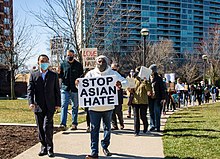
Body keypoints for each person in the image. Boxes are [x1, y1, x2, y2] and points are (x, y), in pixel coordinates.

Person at [77, 55, 128, 159]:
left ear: (107, 62)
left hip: (108, 108)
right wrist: (77, 83)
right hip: (94, 109)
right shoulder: (90, 74)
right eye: (99, 61)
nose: (100, 63)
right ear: (96, 62)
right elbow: (82, 86)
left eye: (103, 61)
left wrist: (120, 84)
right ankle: (94, 152)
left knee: (107, 129)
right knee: (94, 130)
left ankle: (105, 146)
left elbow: (126, 82)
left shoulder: (113, 73)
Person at [27, 54, 61, 157]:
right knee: (40, 128)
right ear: (38, 62)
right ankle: (43, 147)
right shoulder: (33, 74)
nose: (44, 62)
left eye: (46, 60)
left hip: (50, 105)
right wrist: (31, 102)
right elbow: (30, 90)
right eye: (42, 61)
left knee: (47, 126)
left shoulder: (53, 75)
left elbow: (56, 90)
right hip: (38, 106)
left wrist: (58, 104)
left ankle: (50, 148)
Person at [58, 50, 84, 130]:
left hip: (74, 89)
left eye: (71, 55)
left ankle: (74, 123)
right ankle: (63, 124)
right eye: (68, 55)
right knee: (64, 106)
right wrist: (58, 73)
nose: (69, 57)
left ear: (74, 55)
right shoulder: (62, 64)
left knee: (75, 106)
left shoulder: (78, 65)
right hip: (65, 88)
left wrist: (78, 80)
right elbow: (60, 76)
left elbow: (82, 75)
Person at [128, 67, 152, 136]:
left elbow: (149, 89)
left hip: (143, 101)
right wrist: (129, 90)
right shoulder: (133, 80)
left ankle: (145, 127)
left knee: (143, 116)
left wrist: (145, 81)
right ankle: (136, 131)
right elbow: (128, 89)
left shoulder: (146, 81)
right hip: (135, 101)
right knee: (136, 116)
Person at [148, 64, 166, 132]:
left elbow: (162, 89)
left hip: (157, 97)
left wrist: (163, 98)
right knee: (151, 112)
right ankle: (152, 125)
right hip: (150, 97)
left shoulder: (158, 79)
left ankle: (157, 126)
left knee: (157, 112)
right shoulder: (147, 78)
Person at [111, 63, 124, 130]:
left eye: (114, 68)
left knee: (118, 112)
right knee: (112, 112)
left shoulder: (121, 76)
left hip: (118, 96)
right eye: (112, 68)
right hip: (111, 97)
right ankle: (114, 125)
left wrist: (120, 85)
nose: (113, 70)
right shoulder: (109, 76)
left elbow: (124, 83)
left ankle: (121, 124)